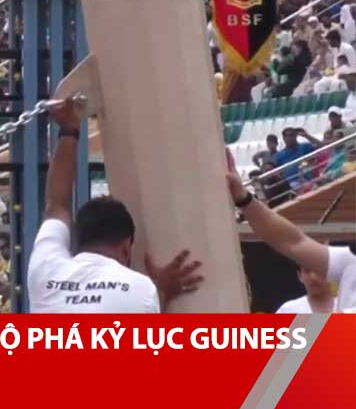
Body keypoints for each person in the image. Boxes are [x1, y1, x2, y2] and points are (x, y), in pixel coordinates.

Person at [27, 97, 203, 313]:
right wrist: (164, 289)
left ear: (76, 239)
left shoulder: (45, 271)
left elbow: (56, 205)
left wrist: (68, 130)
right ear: (126, 248)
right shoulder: (142, 290)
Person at [227, 150, 355, 312]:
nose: (313, 276)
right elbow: (292, 242)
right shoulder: (350, 261)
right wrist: (243, 197)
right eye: (307, 271)